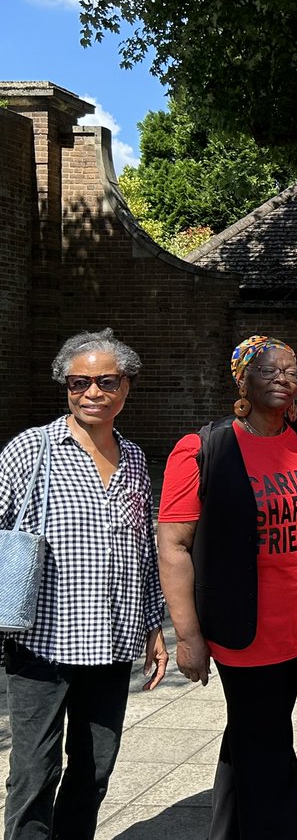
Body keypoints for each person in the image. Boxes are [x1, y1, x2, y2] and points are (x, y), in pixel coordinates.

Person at [158, 336, 297, 839]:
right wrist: (189, 637)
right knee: (272, 753)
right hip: (246, 630)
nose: (283, 377)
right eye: (268, 370)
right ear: (242, 380)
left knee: (249, 739)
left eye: (292, 370)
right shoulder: (204, 448)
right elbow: (173, 545)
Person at [0, 329, 167, 840]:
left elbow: (144, 552)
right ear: (66, 387)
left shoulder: (135, 458)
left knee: (93, 772)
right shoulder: (32, 449)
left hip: (111, 644)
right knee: (34, 772)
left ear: (126, 387)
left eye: (106, 381)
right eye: (79, 383)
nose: (92, 393)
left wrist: (153, 626)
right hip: (42, 644)